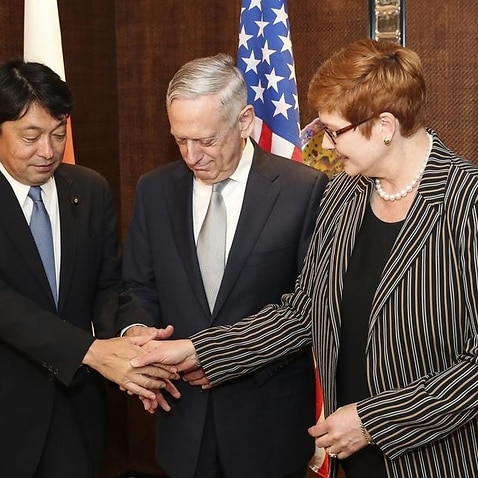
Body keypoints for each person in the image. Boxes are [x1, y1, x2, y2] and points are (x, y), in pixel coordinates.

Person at [132, 39, 478, 478]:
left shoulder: (467, 202)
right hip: (349, 453)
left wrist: (375, 423)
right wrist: (199, 350)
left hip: (438, 457)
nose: (328, 146)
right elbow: (301, 312)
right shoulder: (342, 197)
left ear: (386, 125)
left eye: (335, 131)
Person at [116, 53, 328, 478]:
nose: (192, 155)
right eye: (180, 140)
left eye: (206, 140)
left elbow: (310, 310)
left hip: (267, 421)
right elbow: (137, 286)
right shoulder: (156, 189)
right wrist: (139, 337)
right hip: (181, 417)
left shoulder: (303, 189)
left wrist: (218, 356)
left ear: (245, 121)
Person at [0, 60, 176, 478]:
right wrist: (91, 351)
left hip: (76, 409)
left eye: (58, 134)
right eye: (31, 136)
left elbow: (107, 286)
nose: (48, 151)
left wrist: (132, 339)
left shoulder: (89, 189)